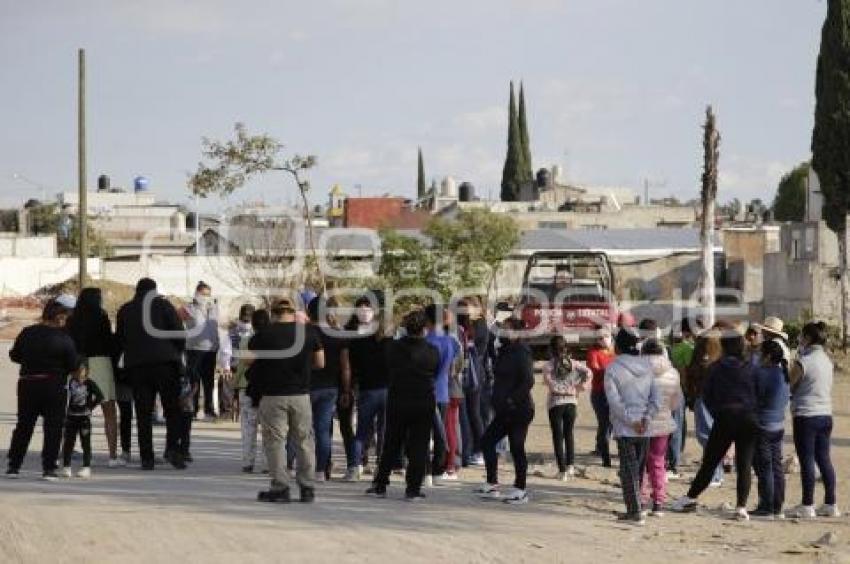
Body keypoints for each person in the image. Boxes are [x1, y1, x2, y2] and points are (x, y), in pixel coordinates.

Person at [672, 323, 759, 521]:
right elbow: (760, 391)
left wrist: (718, 411)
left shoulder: (717, 367)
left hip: (726, 417)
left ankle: (690, 497)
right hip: (749, 418)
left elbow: (708, 395)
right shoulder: (752, 365)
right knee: (744, 464)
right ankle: (741, 507)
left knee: (710, 461)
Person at [250, 297, 324, 503]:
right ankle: (307, 487)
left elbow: (248, 359)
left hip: (273, 395)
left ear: (273, 313)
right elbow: (320, 363)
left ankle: (280, 487)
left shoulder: (264, 334)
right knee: (304, 441)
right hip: (301, 395)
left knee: (275, 442)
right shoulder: (309, 332)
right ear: (294, 312)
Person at [367, 310, 440, 500]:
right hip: (423, 401)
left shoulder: (393, 348)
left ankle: (380, 483)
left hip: (398, 399)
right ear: (425, 329)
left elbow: (387, 365)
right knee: (419, 445)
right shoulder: (432, 351)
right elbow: (436, 371)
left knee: (391, 443)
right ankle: (413, 488)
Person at [116, 278, 187, 470]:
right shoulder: (164, 306)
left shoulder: (125, 310)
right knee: (172, 410)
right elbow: (179, 334)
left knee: (143, 413)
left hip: (138, 367)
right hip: (166, 365)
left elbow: (120, 340)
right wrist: (176, 353)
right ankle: (172, 449)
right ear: (154, 291)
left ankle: (147, 457)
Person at [6, 299, 81, 480]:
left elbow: (14, 355)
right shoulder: (64, 338)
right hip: (54, 386)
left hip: (28, 384)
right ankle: (49, 468)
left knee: (24, 426)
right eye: (64, 318)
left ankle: (14, 466)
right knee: (53, 427)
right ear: (58, 317)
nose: (65, 322)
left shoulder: (27, 332)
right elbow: (73, 366)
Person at [476, 317, 535, 505]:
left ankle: (520, 489)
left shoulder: (522, 352)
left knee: (517, 447)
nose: (503, 333)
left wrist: (511, 400)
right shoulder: (504, 350)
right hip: (503, 410)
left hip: (519, 409)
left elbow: (528, 381)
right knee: (487, 442)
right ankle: (492, 482)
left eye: (507, 330)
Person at [786, 321, 840, 519]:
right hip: (825, 414)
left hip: (806, 415)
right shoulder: (827, 360)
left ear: (807, 338)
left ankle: (807, 504)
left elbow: (790, 384)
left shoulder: (804, 361)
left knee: (807, 459)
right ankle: (830, 503)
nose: (799, 339)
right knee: (824, 458)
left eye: (801, 336)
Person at [604, 327, 657, 526]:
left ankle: (635, 512)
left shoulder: (613, 368)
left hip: (626, 428)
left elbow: (614, 401)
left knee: (628, 470)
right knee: (639, 469)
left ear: (618, 346)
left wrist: (630, 420)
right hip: (645, 426)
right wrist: (646, 419)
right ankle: (637, 508)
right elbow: (655, 398)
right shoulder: (647, 367)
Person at [66, 287, 123, 467]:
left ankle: (67, 449)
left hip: (79, 364)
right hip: (101, 363)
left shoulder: (72, 318)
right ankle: (112, 456)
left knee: (74, 409)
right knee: (109, 412)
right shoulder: (101, 316)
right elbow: (108, 341)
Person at [345, 296, 390, 481]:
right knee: (383, 431)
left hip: (367, 389)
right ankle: (380, 467)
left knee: (362, 431)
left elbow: (350, 365)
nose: (364, 310)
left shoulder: (354, 339)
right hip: (384, 389)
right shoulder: (387, 340)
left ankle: (355, 467)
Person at [308, 296, 351, 481]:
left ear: (310, 312)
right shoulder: (337, 335)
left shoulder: (304, 333)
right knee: (323, 431)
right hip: (330, 387)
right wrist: (346, 390)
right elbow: (345, 366)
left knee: (301, 429)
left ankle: (293, 465)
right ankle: (321, 471)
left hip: (307, 387)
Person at [640, 338, 682, 517]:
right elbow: (676, 402)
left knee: (640, 463)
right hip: (663, 422)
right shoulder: (672, 372)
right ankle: (658, 502)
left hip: (641, 422)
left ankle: (641, 500)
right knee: (658, 461)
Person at [751, 339, 790, 519]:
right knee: (776, 466)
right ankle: (777, 505)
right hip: (778, 425)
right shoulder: (783, 372)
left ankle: (766, 506)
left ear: (767, 356)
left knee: (764, 467)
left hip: (762, 426)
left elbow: (752, 397)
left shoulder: (761, 373)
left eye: (760, 353)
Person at [543, 335, 590, 480]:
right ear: (566, 347)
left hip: (556, 403)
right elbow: (588, 373)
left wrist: (558, 388)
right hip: (571, 402)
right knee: (569, 434)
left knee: (558, 437)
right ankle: (570, 466)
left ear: (550, 349)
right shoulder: (574, 363)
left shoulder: (548, 366)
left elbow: (549, 383)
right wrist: (578, 387)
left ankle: (562, 470)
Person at [425, 303, 461, 483]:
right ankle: (439, 471)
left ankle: (426, 472)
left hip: (426, 392)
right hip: (443, 391)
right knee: (441, 434)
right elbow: (455, 367)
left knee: (424, 433)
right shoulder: (451, 341)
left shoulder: (427, 341)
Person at [684, 327, 724, 487]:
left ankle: (714, 475)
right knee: (711, 436)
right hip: (714, 397)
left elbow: (698, 370)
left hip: (705, 396)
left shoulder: (707, 345)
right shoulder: (718, 348)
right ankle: (715, 473)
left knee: (706, 436)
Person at [235, 308, 270, 472]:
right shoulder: (274, 342)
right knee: (268, 429)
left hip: (247, 388)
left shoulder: (245, 341)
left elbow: (242, 365)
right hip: (269, 391)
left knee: (248, 429)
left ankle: (247, 462)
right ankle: (267, 464)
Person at [181, 281, 222, 421]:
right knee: (194, 380)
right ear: (197, 293)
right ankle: (192, 408)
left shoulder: (214, 308)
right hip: (194, 349)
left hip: (211, 350)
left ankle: (209, 409)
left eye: (208, 295)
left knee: (209, 381)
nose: (206, 297)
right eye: (204, 294)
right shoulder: (189, 308)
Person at [60, 360, 104, 478]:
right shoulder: (69, 383)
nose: (78, 374)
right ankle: (66, 467)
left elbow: (100, 396)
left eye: (81, 371)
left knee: (86, 443)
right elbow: (64, 396)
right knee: (69, 443)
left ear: (86, 372)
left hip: (84, 418)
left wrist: (90, 407)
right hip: (71, 418)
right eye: (76, 372)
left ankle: (86, 467)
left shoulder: (90, 383)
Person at [667, 318, 696, 478]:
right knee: (679, 424)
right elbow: (685, 371)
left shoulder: (668, 347)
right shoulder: (689, 348)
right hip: (681, 389)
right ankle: (676, 457)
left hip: (668, 389)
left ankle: (673, 457)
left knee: (674, 424)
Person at [587, 328, 615, 467]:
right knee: (604, 424)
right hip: (600, 393)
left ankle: (600, 447)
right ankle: (605, 457)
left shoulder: (616, 351)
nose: (604, 339)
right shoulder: (593, 353)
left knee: (611, 424)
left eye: (606, 336)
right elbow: (596, 371)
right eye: (600, 337)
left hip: (615, 393)